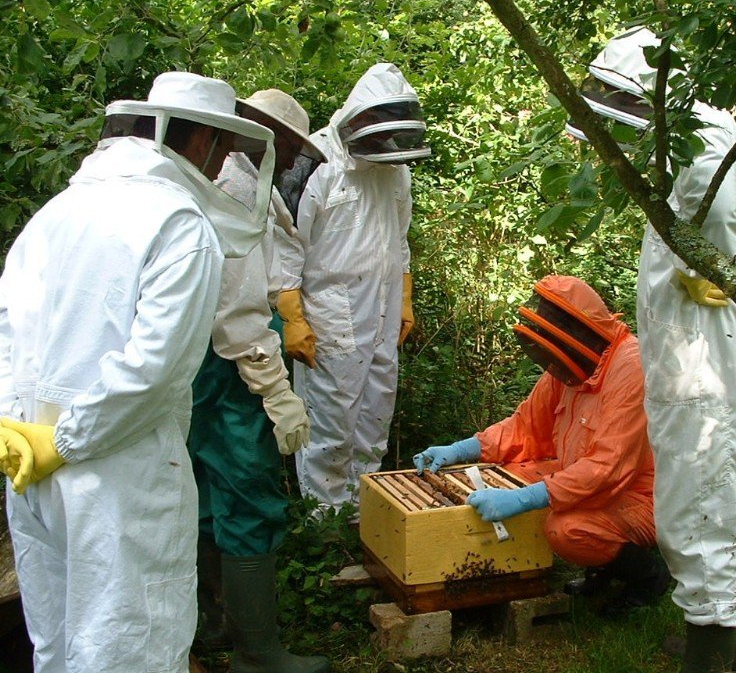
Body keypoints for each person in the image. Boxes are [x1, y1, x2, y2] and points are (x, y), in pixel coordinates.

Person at [0, 72, 275, 673]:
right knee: (129, 648)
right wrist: (68, 440)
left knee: (58, 640)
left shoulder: (55, 214)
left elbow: (9, 334)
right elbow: (154, 372)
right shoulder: (179, 224)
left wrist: (17, 430)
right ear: (199, 140)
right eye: (221, 150)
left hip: (28, 467)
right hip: (115, 477)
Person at [567, 27, 736, 672]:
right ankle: (732, 648)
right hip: (702, 349)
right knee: (723, 496)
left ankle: (711, 653)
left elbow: (717, 233)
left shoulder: (704, 143)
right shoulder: (697, 132)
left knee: (698, 506)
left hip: (700, 358)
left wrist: (713, 259)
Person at [413, 275, 668, 617]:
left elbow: (607, 467)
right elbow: (524, 428)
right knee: (506, 475)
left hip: (639, 493)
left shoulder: (631, 369)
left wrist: (527, 498)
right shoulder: (570, 366)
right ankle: (602, 568)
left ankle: (648, 577)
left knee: (566, 529)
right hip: (590, 478)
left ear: (579, 333)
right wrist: (461, 449)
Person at [188, 89, 329, 673]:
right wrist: (274, 389)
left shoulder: (227, 179)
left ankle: (212, 624)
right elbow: (240, 310)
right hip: (230, 365)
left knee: (200, 492)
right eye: (293, 145)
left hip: (201, 363)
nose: (296, 156)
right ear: (266, 135)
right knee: (247, 487)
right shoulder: (239, 188)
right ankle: (257, 652)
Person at [285, 63, 427, 516]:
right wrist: (292, 317)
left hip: (382, 306)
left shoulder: (394, 167)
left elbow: (399, 237)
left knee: (374, 413)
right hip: (329, 312)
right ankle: (325, 525)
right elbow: (285, 246)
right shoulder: (315, 163)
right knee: (331, 422)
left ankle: (366, 517)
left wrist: (404, 300)